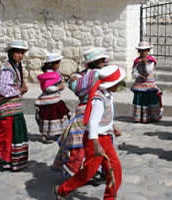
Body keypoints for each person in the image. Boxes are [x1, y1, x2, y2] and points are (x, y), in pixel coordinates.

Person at [54, 65, 125, 200]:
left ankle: (109, 197)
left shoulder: (108, 95)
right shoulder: (99, 99)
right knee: (88, 172)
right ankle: (62, 190)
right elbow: (93, 122)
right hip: (95, 140)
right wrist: (96, 143)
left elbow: (104, 116)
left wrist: (112, 126)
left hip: (104, 138)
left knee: (115, 169)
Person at [53, 47, 109, 177]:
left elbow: (74, 86)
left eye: (102, 58)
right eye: (99, 59)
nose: (102, 61)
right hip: (91, 110)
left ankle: (90, 171)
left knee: (83, 143)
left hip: (86, 110)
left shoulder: (79, 77)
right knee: (91, 142)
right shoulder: (98, 75)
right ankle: (91, 171)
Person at [0, 40, 29, 171]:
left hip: (14, 107)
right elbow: (4, 90)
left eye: (22, 53)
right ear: (11, 53)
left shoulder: (15, 67)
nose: (20, 56)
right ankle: (8, 160)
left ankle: (13, 160)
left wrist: (20, 89)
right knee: (8, 135)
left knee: (15, 134)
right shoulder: (6, 69)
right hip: (7, 109)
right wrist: (19, 90)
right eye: (18, 53)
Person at [35, 52, 70, 143]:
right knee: (50, 117)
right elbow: (48, 87)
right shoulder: (49, 75)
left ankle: (58, 132)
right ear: (52, 64)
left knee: (57, 116)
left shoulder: (54, 73)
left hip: (55, 99)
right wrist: (58, 87)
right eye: (57, 63)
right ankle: (46, 135)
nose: (59, 65)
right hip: (49, 101)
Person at [131, 41, 163, 123]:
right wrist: (139, 75)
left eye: (145, 50)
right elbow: (134, 72)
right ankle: (140, 117)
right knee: (140, 99)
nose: (143, 53)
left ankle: (151, 116)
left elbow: (149, 71)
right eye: (141, 51)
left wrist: (145, 64)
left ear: (148, 51)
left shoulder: (151, 61)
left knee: (150, 99)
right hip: (139, 83)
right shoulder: (136, 61)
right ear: (139, 51)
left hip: (149, 83)